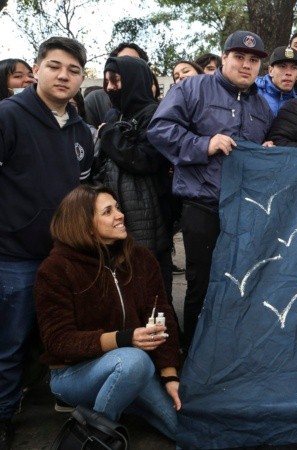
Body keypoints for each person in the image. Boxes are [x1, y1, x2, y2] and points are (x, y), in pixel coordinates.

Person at [147, 30, 274, 348]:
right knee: (201, 287)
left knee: (239, 287)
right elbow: (160, 129)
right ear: (224, 58)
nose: (246, 65)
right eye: (239, 57)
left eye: (254, 60)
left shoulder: (262, 106)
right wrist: (204, 144)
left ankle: (227, 359)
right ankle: (192, 361)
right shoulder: (191, 88)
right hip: (202, 205)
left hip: (245, 211)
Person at [0, 36, 92, 449]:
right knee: (10, 343)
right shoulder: (8, 116)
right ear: (36, 68)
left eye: (73, 70)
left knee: (61, 334)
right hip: (14, 255)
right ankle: (3, 415)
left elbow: (82, 189)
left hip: (64, 255)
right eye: (55, 66)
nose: (63, 76)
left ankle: (65, 399)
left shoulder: (79, 129)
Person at [34, 184, 182, 440]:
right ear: (86, 225)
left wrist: (169, 375)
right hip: (74, 373)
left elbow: (162, 316)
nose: (120, 214)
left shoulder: (141, 258)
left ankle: (121, 400)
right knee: (132, 361)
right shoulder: (56, 269)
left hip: (136, 369)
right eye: (108, 211)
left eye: (118, 207)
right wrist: (123, 339)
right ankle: (93, 440)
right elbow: (58, 341)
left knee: (183, 429)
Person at [96, 56, 174, 312]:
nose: (109, 87)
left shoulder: (155, 114)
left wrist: (108, 133)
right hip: (115, 214)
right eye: (107, 80)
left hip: (150, 218)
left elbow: (145, 160)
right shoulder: (113, 114)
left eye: (116, 80)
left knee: (153, 289)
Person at [256, 46, 297, 115]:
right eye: (282, 66)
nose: (288, 73)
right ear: (271, 71)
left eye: (294, 68)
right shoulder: (252, 90)